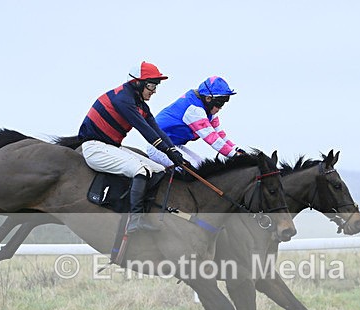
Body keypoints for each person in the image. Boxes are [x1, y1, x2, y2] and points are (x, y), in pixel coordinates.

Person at [78, 61, 186, 232]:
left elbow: (157, 130)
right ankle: (135, 220)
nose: (154, 90)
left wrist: (174, 151)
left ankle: (146, 210)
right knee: (141, 170)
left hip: (111, 147)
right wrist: (167, 151)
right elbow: (145, 130)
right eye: (151, 85)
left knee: (158, 170)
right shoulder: (123, 100)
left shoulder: (141, 104)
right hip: (95, 148)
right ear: (138, 82)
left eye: (156, 86)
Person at [146, 76, 243, 168]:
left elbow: (220, 134)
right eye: (219, 104)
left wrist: (237, 149)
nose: (220, 108)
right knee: (196, 169)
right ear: (208, 98)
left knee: (202, 165)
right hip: (158, 147)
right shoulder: (194, 110)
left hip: (173, 145)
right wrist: (234, 155)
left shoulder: (207, 108)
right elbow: (212, 139)